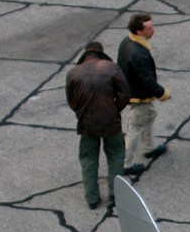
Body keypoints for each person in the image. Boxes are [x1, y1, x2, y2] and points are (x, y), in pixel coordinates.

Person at [65, 41, 129, 209]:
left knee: (88, 158)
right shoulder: (111, 68)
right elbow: (124, 95)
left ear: (85, 54)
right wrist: (114, 110)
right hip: (110, 121)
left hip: (87, 123)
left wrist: (83, 113)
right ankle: (116, 194)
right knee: (116, 154)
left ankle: (92, 198)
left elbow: (72, 102)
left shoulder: (73, 73)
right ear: (101, 53)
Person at [117, 13, 171, 161]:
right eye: (148, 28)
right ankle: (125, 164)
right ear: (139, 32)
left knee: (149, 116)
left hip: (131, 90)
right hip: (139, 96)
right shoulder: (139, 54)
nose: (153, 31)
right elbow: (146, 80)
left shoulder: (126, 42)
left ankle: (149, 147)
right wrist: (163, 93)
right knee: (134, 129)